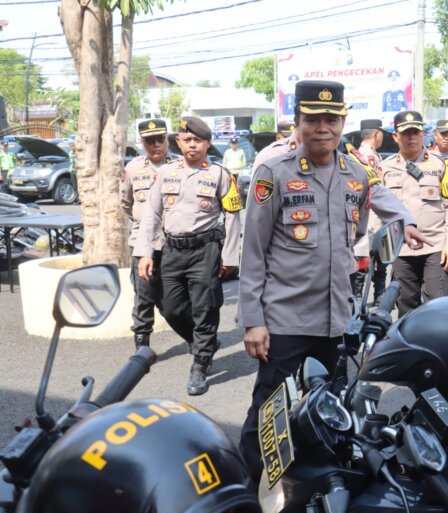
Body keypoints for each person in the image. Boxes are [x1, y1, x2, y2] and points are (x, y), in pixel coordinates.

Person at [237, 81, 427, 485]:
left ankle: (318, 492)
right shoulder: (273, 173)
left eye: (331, 119)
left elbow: (364, 216)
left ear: (342, 122)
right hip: (285, 320)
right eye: (313, 119)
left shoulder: (355, 173)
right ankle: (244, 496)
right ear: (298, 123)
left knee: (332, 412)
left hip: (337, 319)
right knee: (267, 416)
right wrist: (253, 320)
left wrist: (405, 221)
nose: (322, 128)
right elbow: (252, 251)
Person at [135, 116, 243, 396]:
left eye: (197, 140)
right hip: (171, 250)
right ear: (179, 142)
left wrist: (230, 257)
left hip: (205, 251)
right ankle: (202, 342)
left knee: (204, 307)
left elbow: (232, 217)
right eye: (186, 140)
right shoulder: (166, 173)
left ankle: (200, 364)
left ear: (207, 144)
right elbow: (151, 215)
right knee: (170, 307)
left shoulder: (220, 174)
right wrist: (145, 253)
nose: (191, 145)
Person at [121, 119, 193, 351]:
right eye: (149, 141)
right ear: (142, 142)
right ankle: (142, 346)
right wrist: (144, 229)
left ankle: (196, 338)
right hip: (143, 245)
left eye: (159, 139)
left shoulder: (181, 166)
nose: (155, 145)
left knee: (174, 299)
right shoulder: (132, 169)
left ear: (167, 139)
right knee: (143, 297)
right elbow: (126, 204)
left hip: (173, 244)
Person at [382, 111, 448, 316]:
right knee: (405, 307)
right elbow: (378, 212)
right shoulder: (384, 168)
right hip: (401, 249)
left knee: (440, 306)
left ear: (423, 134)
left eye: (416, 132)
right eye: (406, 133)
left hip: (435, 246)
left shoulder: (443, 166)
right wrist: (380, 249)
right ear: (395, 137)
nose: (411, 137)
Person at [352, 118, 388, 301]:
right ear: (376, 134)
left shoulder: (362, 154)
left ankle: (372, 297)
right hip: (369, 219)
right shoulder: (366, 157)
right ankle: (362, 301)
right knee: (365, 263)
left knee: (376, 262)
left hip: (371, 219)